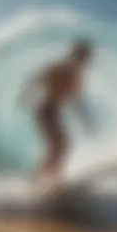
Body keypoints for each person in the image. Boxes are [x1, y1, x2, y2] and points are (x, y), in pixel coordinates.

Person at [18, 38, 96, 182]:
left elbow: (76, 101)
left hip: (52, 112)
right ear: (77, 54)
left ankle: (47, 178)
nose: (86, 60)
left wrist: (87, 122)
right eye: (84, 55)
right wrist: (25, 95)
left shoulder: (77, 75)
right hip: (46, 110)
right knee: (59, 146)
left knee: (61, 147)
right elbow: (38, 78)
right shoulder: (62, 67)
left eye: (87, 57)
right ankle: (43, 178)